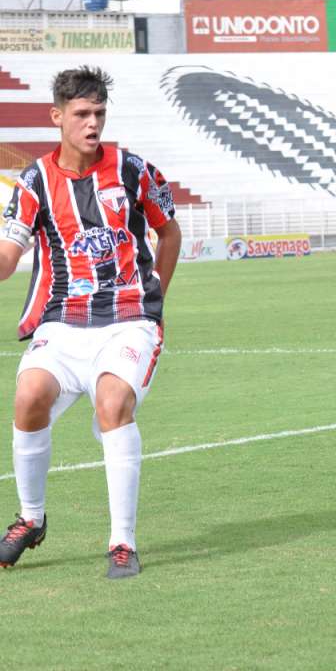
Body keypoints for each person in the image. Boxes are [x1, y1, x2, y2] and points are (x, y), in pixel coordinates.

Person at [0, 66, 181, 578]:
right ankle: (30, 520)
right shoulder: (34, 182)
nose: (92, 123)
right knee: (29, 396)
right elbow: (9, 256)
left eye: (99, 113)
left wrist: (154, 300)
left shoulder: (132, 169)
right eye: (81, 114)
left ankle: (122, 542)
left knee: (112, 403)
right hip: (61, 322)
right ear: (57, 117)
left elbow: (169, 233)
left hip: (128, 319)